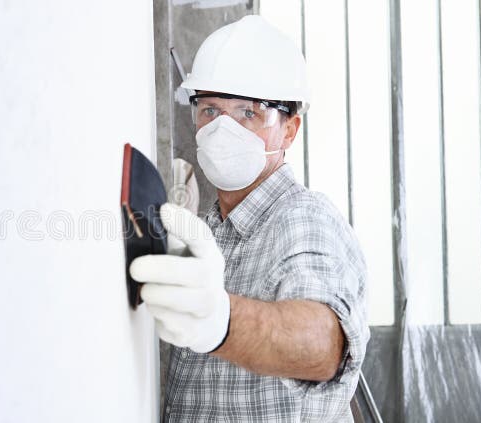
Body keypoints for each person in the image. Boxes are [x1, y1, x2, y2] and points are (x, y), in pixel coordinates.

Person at [130, 15, 369, 422]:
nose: (222, 129)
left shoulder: (304, 219)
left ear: (290, 130)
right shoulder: (209, 232)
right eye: (209, 110)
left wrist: (220, 321)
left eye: (247, 113)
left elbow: (322, 345)